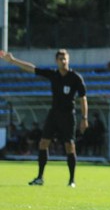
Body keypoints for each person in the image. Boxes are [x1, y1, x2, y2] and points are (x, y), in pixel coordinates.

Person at [0, 49, 88, 187]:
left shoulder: (75, 78)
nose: (63, 61)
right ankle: (40, 177)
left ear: (68, 60)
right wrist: (13, 60)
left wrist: (84, 118)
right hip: (54, 114)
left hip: (68, 116)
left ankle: (71, 180)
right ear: (56, 61)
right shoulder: (53, 74)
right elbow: (32, 69)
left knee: (70, 146)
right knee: (43, 143)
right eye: (60, 59)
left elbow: (83, 98)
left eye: (65, 58)